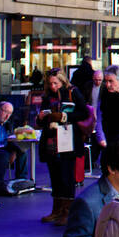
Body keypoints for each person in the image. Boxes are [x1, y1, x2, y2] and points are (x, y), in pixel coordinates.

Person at [37, 69, 95, 225]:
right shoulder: (47, 95)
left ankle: (67, 211)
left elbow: (84, 112)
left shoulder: (73, 93)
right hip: (51, 139)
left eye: (55, 83)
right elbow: (41, 118)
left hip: (67, 138)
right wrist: (41, 117)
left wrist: (65, 116)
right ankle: (56, 210)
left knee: (66, 176)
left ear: (62, 81)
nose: (53, 86)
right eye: (50, 83)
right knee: (54, 176)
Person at [0, 101, 29, 192]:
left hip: (3, 147)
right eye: (6, 112)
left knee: (22, 151)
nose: (7, 116)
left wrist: (14, 151)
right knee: (3, 155)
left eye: (10, 113)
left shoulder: (8, 123)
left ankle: (21, 179)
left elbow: (10, 139)